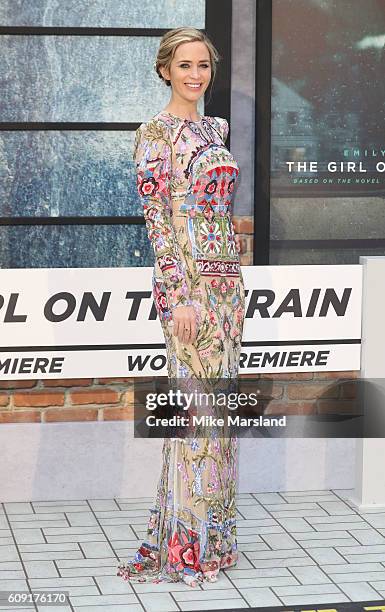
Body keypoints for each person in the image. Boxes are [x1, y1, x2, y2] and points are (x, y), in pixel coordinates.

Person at [117, 26, 245, 588]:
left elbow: (219, 213)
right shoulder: (154, 134)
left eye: (204, 66)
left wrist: (232, 270)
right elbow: (160, 225)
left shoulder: (216, 129)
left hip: (226, 289)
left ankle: (214, 538)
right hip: (188, 290)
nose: (196, 76)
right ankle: (184, 543)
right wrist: (179, 296)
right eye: (185, 66)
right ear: (165, 69)